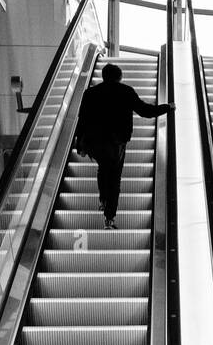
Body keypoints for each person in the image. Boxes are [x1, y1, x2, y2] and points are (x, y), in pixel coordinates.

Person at [74, 63, 174, 229]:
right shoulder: (126, 91)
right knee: (114, 179)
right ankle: (109, 217)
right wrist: (167, 107)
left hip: (95, 142)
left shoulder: (90, 93)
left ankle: (103, 199)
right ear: (119, 77)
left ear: (103, 76)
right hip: (116, 143)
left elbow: (82, 118)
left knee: (102, 168)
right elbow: (145, 111)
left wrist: (80, 144)